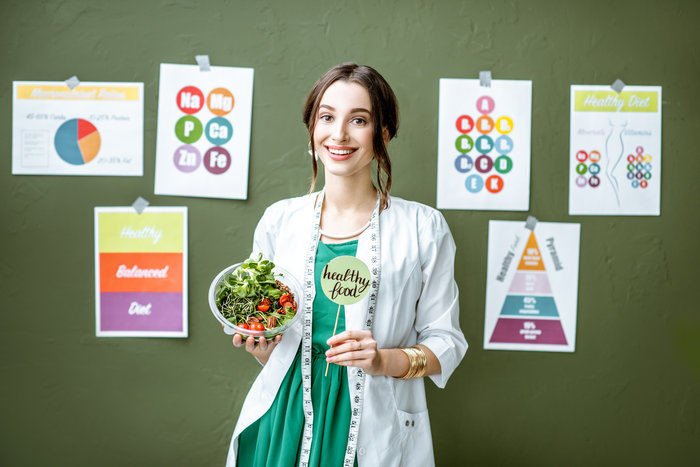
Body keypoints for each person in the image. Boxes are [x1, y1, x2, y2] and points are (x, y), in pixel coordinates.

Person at [226, 63, 467, 467]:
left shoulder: (424, 227)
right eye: (326, 117)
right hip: (284, 419)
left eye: (359, 119)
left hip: (374, 424)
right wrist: (260, 344)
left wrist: (381, 360)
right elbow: (276, 342)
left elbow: (447, 341)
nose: (339, 134)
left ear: (383, 134)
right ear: (311, 130)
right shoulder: (279, 220)